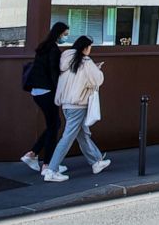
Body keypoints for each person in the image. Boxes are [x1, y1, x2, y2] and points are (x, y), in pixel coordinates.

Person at [43, 35, 110, 182]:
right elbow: (98, 79)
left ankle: (96, 161)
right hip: (79, 104)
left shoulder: (67, 60)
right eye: (90, 46)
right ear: (85, 47)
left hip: (66, 104)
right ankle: (51, 170)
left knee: (82, 134)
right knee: (68, 137)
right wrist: (97, 69)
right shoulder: (85, 62)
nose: (91, 49)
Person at [20, 22, 69, 176]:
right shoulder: (53, 50)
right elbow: (54, 74)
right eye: (65, 34)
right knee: (54, 126)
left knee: (53, 125)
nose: (65, 37)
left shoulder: (43, 47)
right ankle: (47, 165)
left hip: (37, 91)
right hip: (48, 92)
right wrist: (60, 93)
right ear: (59, 33)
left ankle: (33, 154)